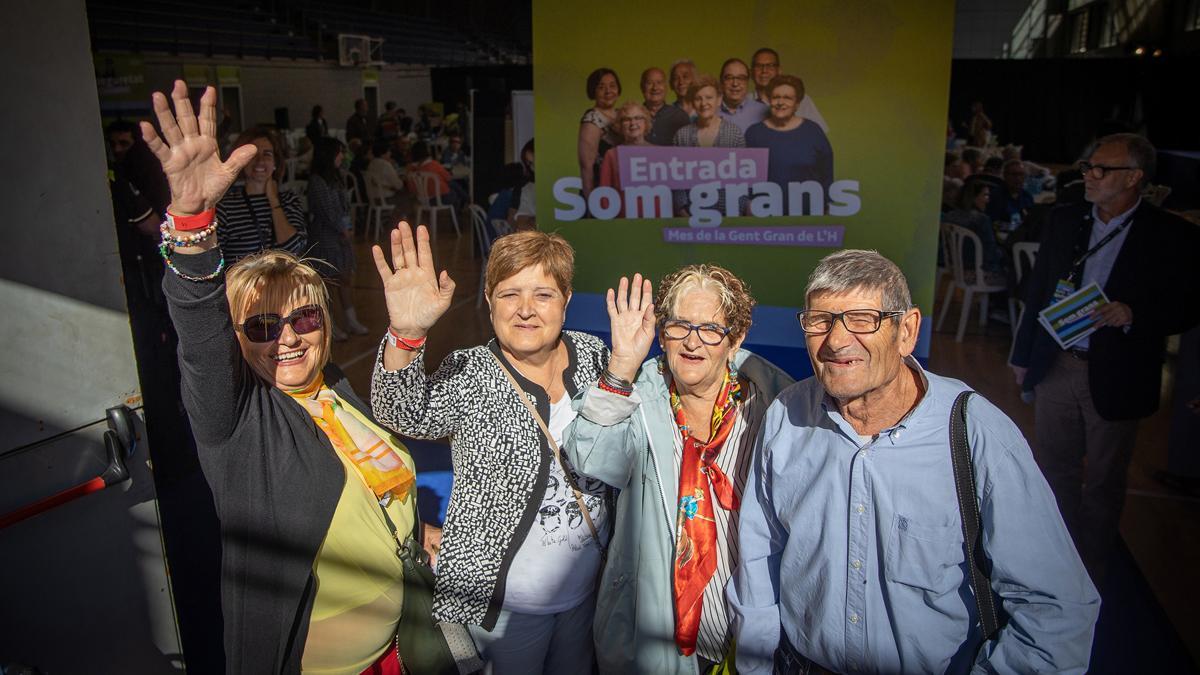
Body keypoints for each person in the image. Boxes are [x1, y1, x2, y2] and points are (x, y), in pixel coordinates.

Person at [143, 79, 425, 674]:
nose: (288, 336)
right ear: (237, 340)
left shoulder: (335, 389)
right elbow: (198, 330)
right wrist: (192, 222)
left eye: (303, 315)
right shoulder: (237, 420)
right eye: (262, 326)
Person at [731, 249, 1100, 674]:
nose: (836, 341)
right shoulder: (786, 417)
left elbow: (1056, 608)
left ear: (906, 331)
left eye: (863, 319)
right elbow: (760, 560)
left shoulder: (975, 434)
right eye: (820, 321)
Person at [371, 226, 611, 674]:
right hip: (503, 608)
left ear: (566, 300)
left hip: (584, 593)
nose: (524, 310)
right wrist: (405, 336)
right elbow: (401, 411)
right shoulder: (471, 371)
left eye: (543, 294)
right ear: (488, 299)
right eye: (509, 294)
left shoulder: (594, 355)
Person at [563, 265, 793, 673]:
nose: (692, 342)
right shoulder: (641, 401)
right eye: (679, 326)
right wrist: (621, 368)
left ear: (735, 339)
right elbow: (591, 458)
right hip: (660, 638)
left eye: (710, 329)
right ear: (662, 331)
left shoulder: (769, 408)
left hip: (754, 636)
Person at [1010, 133, 1200, 577]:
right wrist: (1023, 357)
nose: (1090, 177)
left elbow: (1189, 305)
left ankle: (1090, 566)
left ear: (1134, 177)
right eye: (1087, 167)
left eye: (1102, 169)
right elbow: (1038, 291)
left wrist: (1135, 313)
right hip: (1058, 362)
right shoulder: (1065, 220)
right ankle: (1053, 558)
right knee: (1053, 467)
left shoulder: (1170, 235)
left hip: (1119, 372)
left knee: (1103, 479)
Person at [214, 126, 306, 264]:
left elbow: (294, 249)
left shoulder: (288, 200)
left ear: (275, 162)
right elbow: (215, 259)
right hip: (243, 285)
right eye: (253, 156)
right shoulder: (226, 206)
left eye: (267, 154)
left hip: (279, 284)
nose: (260, 161)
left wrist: (274, 200)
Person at [307, 137, 369, 340]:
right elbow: (326, 211)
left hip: (341, 234)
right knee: (329, 282)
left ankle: (351, 319)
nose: (342, 156)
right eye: (339, 152)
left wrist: (347, 227)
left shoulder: (336, 177)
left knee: (344, 277)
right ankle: (330, 324)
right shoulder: (317, 181)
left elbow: (343, 207)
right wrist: (342, 228)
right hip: (326, 236)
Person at [744, 74, 833, 196]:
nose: (780, 102)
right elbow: (746, 178)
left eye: (787, 98)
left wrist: (827, 206)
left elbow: (827, 175)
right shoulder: (754, 133)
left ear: (797, 104)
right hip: (765, 210)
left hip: (809, 212)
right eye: (776, 97)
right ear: (770, 100)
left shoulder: (813, 131)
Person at [673, 75, 746, 217]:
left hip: (729, 214)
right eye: (698, 98)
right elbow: (677, 183)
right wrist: (683, 212)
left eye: (709, 97)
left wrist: (737, 213)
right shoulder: (682, 136)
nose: (703, 103)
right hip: (692, 215)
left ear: (719, 100)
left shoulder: (734, 133)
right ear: (693, 102)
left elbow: (743, 181)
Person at [597, 101, 666, 218]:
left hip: (656, 220)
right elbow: (604, 195)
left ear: (646, 122)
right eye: (626, 119)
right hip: (623, 220)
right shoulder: (612, 155)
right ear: (620, 125)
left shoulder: (660, 153)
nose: (633, 123)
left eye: (638, 118)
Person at [750, 47, 829, 134]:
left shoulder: (802, 99)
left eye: (770, 66)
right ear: (751, 72)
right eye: (758, 66)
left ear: (779, 71)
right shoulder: (743, 103)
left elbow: (818, 135)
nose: (764, 71)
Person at [943, 180, 1007, 285]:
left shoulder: (949, 216)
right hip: (976, 272)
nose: (988, 200)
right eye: (985, 195)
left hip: (954, 269)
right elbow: (990, 253)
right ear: (973, 197)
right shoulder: (981, 220)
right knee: (1013, 275)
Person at [578, 67, 622, 200]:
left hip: (619, 186)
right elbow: (587, 167)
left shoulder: (621, 114)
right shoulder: (592, 119)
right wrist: (592, 202)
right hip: (601, 189)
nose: (608, 91)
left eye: (612, 86)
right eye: (601, 87)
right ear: (593, 91)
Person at [407, 140, 466, 209]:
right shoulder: (434, 164)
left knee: (453, 187)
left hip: (423, 200)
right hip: (441, 198)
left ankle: (466, 198)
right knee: (454, 187)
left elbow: (411, 189)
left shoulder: (411, 170)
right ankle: (467, 200)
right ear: (426, 151)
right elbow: (448, 178)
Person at [640, 67, 690, 146]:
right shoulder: (633, 117)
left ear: (666, 87)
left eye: (659, 83)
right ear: (642, 87)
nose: (655, 88)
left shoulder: (680, 116)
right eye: (649, 83)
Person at [716, 58, 767, 134]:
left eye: (741, 78)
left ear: (748, 82)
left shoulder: (764, 112)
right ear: (721, 81)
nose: (735, 84)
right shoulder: (707, 112)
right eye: (729, 78)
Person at [986, 158, 1033, 227]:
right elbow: (992, 223)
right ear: (1005, 176)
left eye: (1021, 174)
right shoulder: (995, 196)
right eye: (1014, 174)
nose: (1018, 178)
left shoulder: (1027, 196)